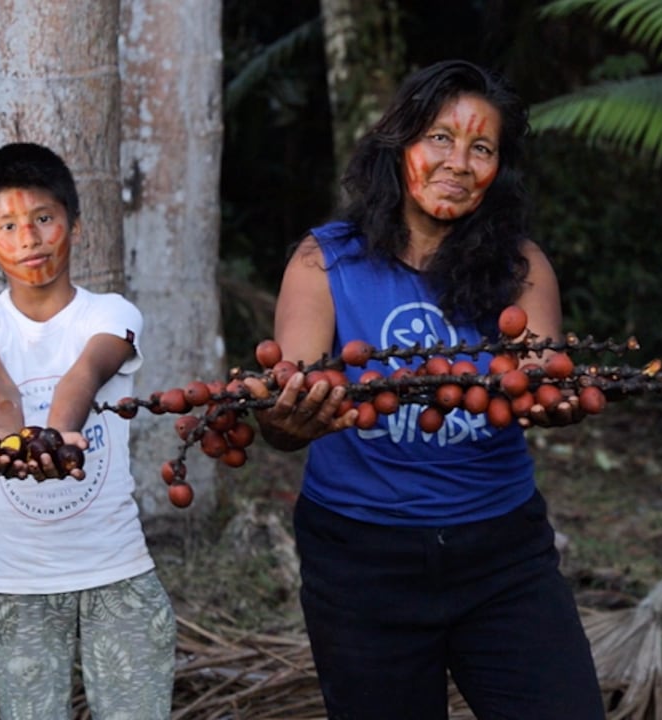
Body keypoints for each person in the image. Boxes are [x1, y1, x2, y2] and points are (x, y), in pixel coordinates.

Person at [242, 59, 605, 719]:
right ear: (400, 142)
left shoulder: (521, 269)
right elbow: (287, 391)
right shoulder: (322, 262)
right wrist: (281, 421)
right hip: (359, 561)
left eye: (482, 147)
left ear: (500, 172)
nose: (459, 162)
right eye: (440, 137)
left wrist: (556, 401)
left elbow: (544, 378)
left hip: (502, 557)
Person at [0, 142, 176, 719]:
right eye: (8, 225)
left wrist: (58, 432)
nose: (29, 239)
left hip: (118, 572)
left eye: (44, 219)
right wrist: (13, 441)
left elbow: (86, 372)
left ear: (73, 223)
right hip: (18, 585)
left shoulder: (113, 313)